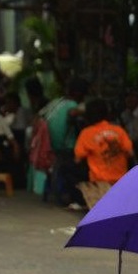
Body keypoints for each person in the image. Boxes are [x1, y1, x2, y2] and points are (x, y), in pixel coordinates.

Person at [73, 98, 134, 210]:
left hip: (99, 185)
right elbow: (130, 153)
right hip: (121, 182)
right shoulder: (119, 131)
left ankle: (78, 200)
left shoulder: (86, 133)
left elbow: (78, 159)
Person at [42, 76, 89, 206]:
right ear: (80, 93)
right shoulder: (72, 105)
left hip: (51, 144)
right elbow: (74, 113)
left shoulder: (56, 102)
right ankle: (73, 197)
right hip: (66, 146)